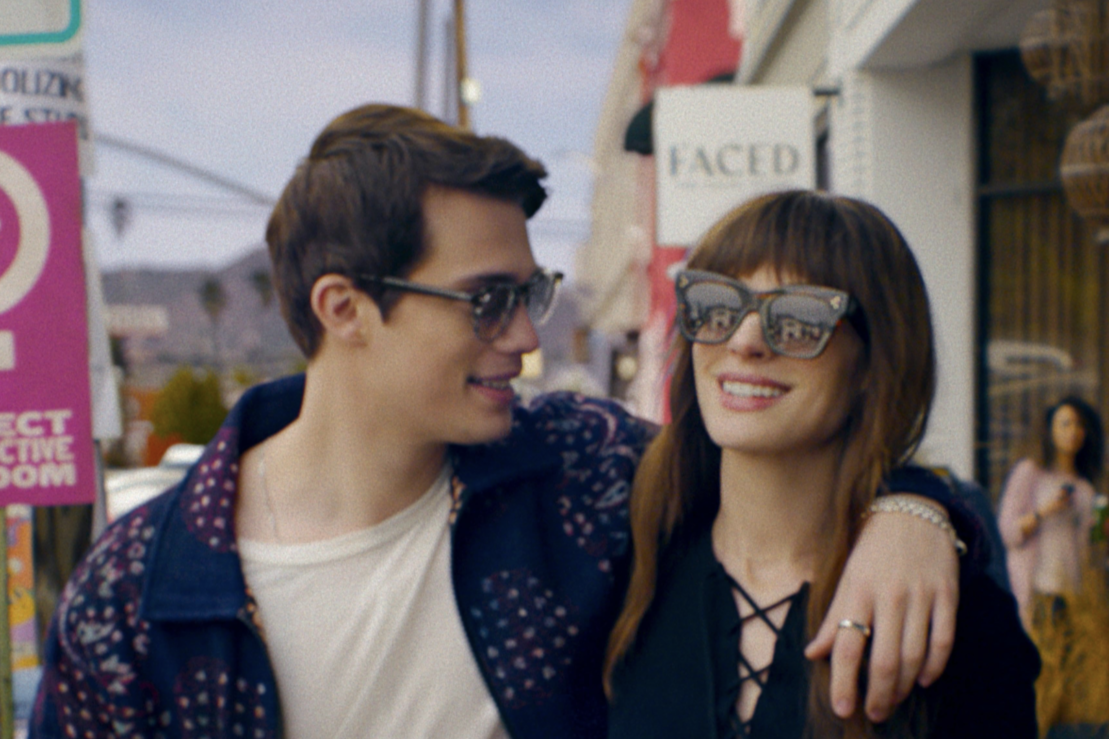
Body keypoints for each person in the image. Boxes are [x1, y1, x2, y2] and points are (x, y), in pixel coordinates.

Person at [34, 107, 978, 739]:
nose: (527, 336)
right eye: (487, 299)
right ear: (344, 308)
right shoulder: (133, 598)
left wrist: (917, 510)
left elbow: (781, 473)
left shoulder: (579, 469)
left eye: (529, 292)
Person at [604, 190, 1039, 738]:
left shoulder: (953, 619)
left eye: (800, 319)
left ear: (872, 362)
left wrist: (921, 508)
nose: (744, 341)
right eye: (716, 304)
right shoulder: (622, 569)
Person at [998, 396, 1109, 734]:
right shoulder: (1030, 473)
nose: (1073, 432)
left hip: (1075, 594)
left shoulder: (1086, 486)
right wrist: (1045, 510)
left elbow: (1093, 552)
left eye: (1079, 425)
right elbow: (1008, 531)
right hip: (1038, 593)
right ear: (1049, 429)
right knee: (1039, 682)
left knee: (1073, 685)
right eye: (1065, 423)